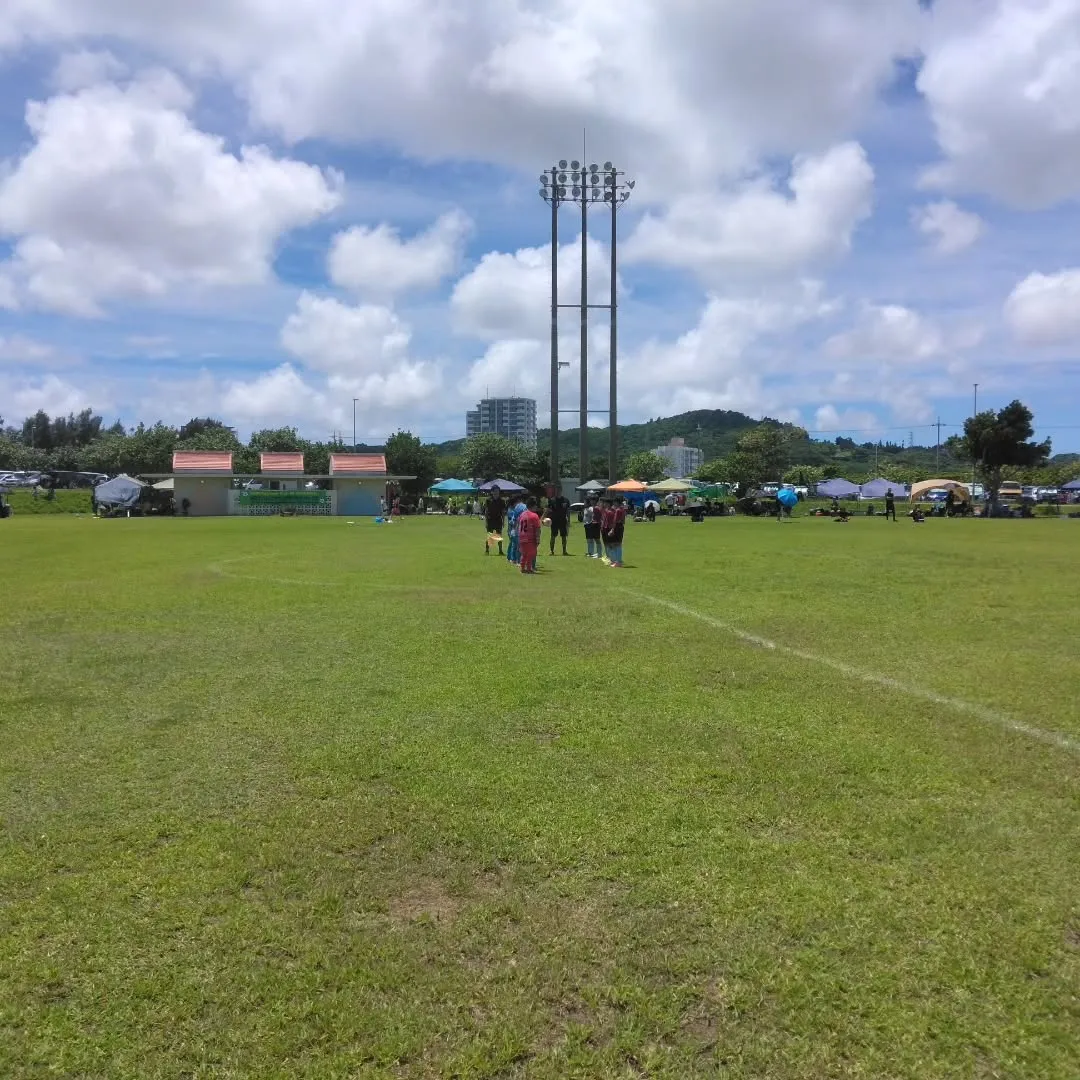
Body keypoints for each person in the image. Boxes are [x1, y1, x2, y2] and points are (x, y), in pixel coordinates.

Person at [517, 497, 542, 574]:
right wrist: (537, 539)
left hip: (521, 537)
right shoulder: (534, 516)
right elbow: (537, 529)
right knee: (531, 554)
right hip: (530, 538)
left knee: (524, 554)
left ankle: (522, 567)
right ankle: (528, 568)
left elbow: (518, 525)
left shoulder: (522, 514)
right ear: (533, 506)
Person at [603, 497, 626, 568]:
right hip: (620, 526)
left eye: (615, 502)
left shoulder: (618, 510)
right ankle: (617, 561)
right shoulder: (622, 509)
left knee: (616, 544)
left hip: (617, 527)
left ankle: (617, 562)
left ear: (617, 502)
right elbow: (623, 521)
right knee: (617, 544)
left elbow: (615, 521)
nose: (614, 503)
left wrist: (612, 529)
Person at [547, 492, 571, 556]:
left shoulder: (566, 500)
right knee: (553, 536)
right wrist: (547, 519)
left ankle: (564, 551)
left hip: (563, 520)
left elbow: (568, 511)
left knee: (564, 536)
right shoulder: (552, 500)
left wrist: (569, 520)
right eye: (557, 490)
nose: (558, 491)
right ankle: (551, 551)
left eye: (559, 489)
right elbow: (548, 510)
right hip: (554, 521)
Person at [484, 486, 505, 556]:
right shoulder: (488, 500)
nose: (496, 492)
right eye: (495, 491)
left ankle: (500, 551)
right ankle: (487, 550)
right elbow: (486, 512)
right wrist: (486, 521)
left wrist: (503, 521)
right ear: (492, 492)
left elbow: (503, 512)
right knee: (490, 536)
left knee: (499, 535)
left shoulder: (501, 501)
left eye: (498, 491)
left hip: (498, 520)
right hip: (490, 520)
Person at [506, 493, 526, 565]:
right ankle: (513, 558)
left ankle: (510, 557)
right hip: (513, 528)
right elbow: (513, 521)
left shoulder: (512, 509)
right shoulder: (513, 509)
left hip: (512, 528)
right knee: (515, 545)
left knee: (512, 543)